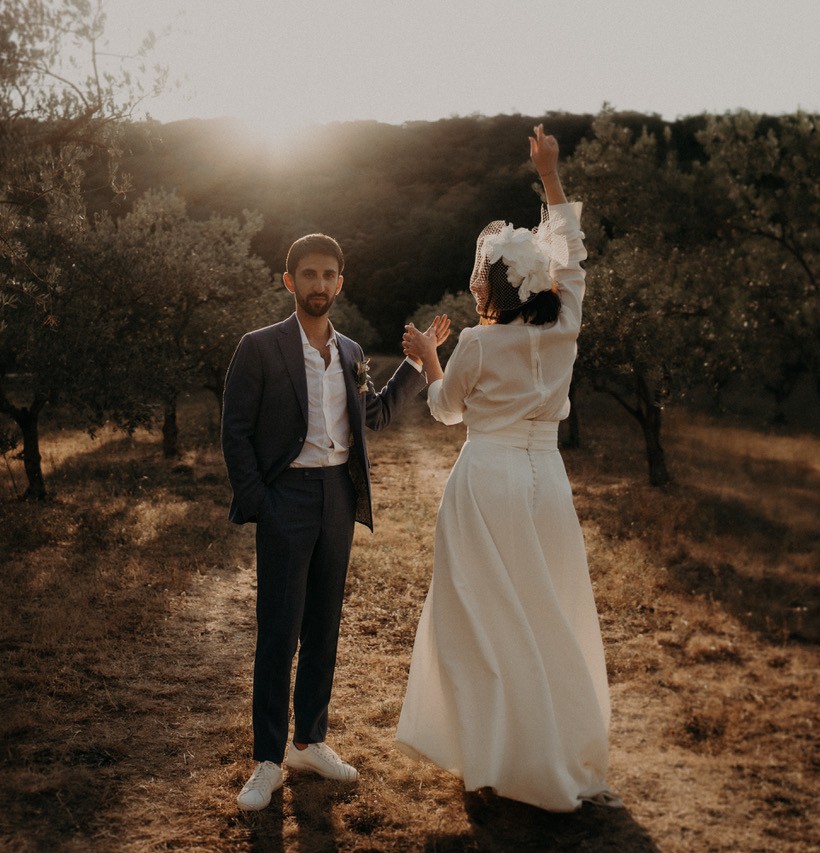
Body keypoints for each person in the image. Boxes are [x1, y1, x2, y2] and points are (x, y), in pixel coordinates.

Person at [394, 125, 620, 811]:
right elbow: (574, 258)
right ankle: (551, 750)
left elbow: (443, 411)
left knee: (485, 617)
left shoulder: (475, 343)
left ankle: (494, 754)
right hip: (546, 482)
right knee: (546, 611)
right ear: (539, 280)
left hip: (484, 485)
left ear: (489, 284)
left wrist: (426, 360)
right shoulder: (563, 327)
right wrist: (549, 175)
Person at [221, 232, 450, 811]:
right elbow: (236, 431)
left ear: (339, 284)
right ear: (290, 281)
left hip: (339, 499)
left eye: (329, 276)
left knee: (323, 626)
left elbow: (373, 414)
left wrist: (417, 364)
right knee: (279, 631)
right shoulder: (259, 347)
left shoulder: (350, 352)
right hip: (286, 499)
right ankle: (268, 760)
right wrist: (260, 501)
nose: (319, 284)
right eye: (309, 275)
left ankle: (309, 741)